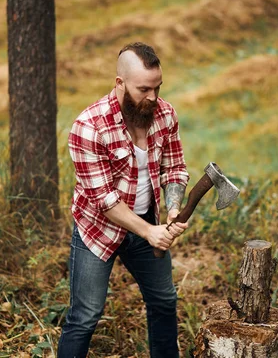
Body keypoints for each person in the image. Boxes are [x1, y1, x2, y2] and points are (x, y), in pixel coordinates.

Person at [58, 42, 190, 358]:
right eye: (144, 89)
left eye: (158, 87)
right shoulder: (89, 127)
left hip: (147, 223)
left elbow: (174, 168)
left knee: (164, 301)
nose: (153, 97)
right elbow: (105, 200)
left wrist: (172, 208)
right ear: (120, 83)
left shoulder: (165, 114)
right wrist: (149, 233)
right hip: (98, 231)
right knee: (84, 317)